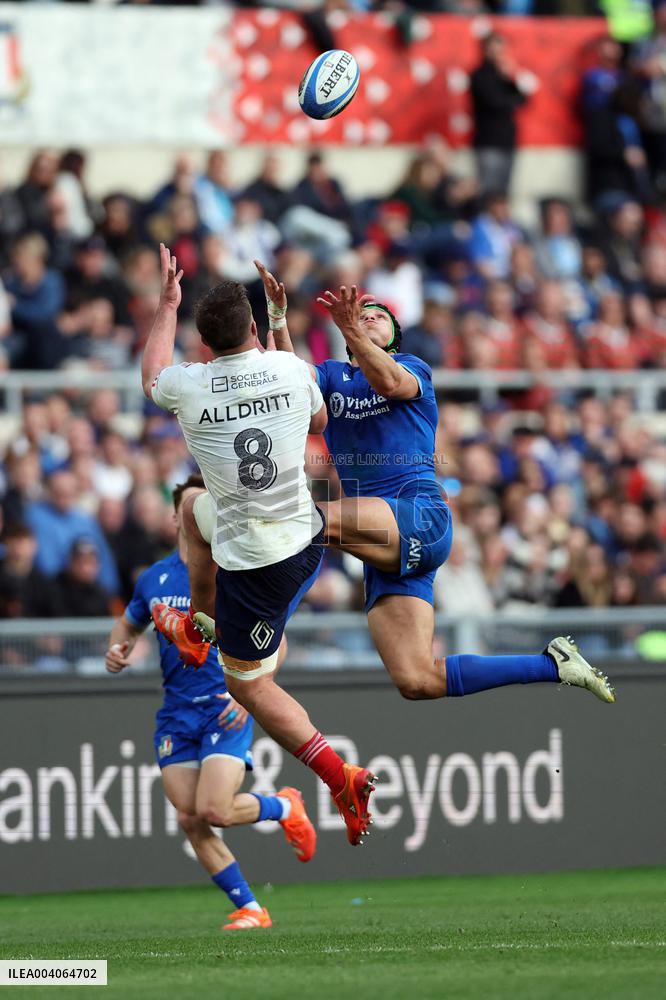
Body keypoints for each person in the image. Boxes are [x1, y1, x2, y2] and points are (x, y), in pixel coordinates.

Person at [226, 261, 614, 710]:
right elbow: (291, 384)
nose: (369, 315)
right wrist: (277, 318)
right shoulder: (333, 375)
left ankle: (254, 631)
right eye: (362, 313)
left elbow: (387, 380)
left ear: (393, 336)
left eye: (379, 315)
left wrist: (350, 329)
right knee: (417, 679)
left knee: (307, 520)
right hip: (379, 541)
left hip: (419, 516)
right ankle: (554, 664)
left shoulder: (413, 368)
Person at [142, 244, 377, 848]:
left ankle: (337, 777)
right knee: (194, 508)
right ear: (253, 328)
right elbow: (320, 423)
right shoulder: (291, 370)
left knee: (247, 684)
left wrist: (166, 303)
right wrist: (281, 322)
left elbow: (149, 376)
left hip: (255, 563)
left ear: (202, 342)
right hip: (303, 538)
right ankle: (202, 622)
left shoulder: (188, 386)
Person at [105, 473, 316, 932]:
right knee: (189, 816)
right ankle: (251, 908)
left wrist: (253, 691)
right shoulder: (153, 578)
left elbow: (275, 643)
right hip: (176, 713)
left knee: (216, 810)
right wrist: (117, 647)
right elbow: (130, 623)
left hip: (224, 704)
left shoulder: (231, 572)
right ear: (177, 516)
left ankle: (284, 806)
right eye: (191, 505)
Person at [469, 33, 535, 196]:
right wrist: (511, 100)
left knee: (504, 193)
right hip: (488, 142)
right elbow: (496, 103)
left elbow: (523, 99)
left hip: (507, 141)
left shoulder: (504, 76)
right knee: (487, 192)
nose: (497, 53)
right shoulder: (479, 75)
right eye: (492, 48)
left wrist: (510, 78)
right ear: (484, 50)